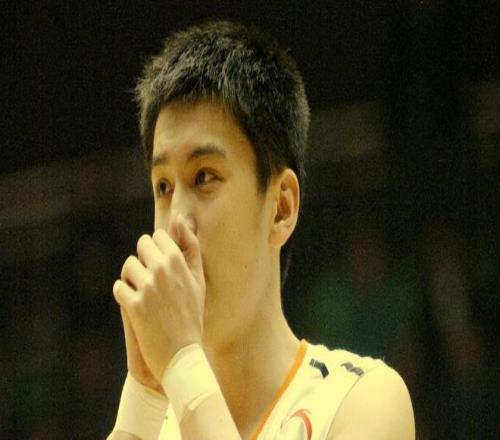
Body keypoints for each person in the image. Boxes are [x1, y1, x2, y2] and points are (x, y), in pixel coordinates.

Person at [108, 20, 414, 440]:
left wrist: (182, 364)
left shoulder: (364, 400)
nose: (176, 223)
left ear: (281, 208)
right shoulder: (154, 424)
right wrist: (143, 397)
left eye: (203, 177)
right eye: (163, 186)